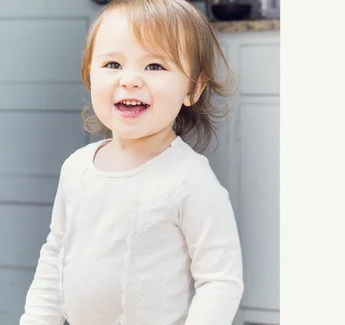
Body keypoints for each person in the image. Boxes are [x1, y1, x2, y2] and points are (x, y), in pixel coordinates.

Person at [19, 0, 244, 324]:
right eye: (112, 65)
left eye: (155, 66)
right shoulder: (77, 169)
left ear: (193, 88)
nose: (130, 80)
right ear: (90, 76)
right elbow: (56, 256)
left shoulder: (189, 179)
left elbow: (220, 279)